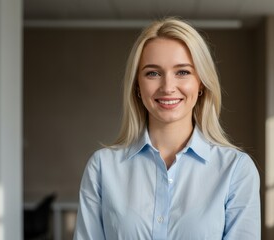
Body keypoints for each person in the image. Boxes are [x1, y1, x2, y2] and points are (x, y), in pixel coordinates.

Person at [73, 17, 260, 240]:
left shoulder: (236, 170)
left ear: (200, 83)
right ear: (137, 86)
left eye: (182, 72)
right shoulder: (102, 167)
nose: (168, 87)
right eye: (153, 73)